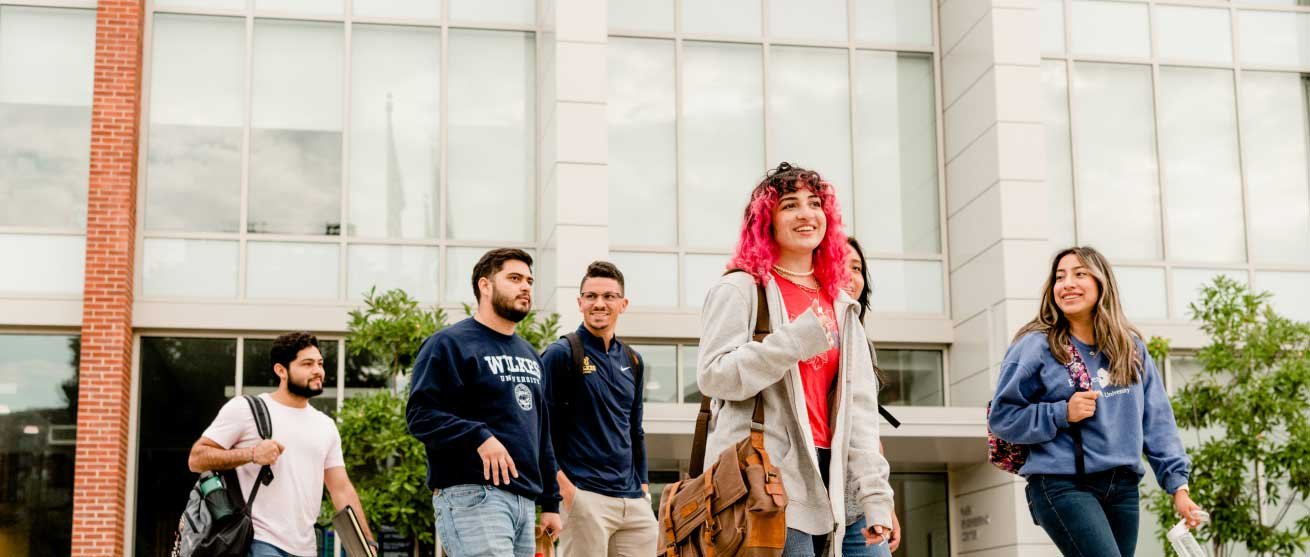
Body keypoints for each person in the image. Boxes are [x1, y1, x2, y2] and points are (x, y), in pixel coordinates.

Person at [697, 162, 893, 557]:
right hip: (766, 481)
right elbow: (713, 376)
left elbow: (860, 414)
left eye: (814, 203)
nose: (806, 214)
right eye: (790, 205)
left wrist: (876, 496)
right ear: (766, 221)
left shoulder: (841, 304)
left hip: (833, 482)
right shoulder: (740, 288)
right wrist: (791, 342)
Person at [988, 246, 1202, 556]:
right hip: (1063, 484)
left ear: (1102, 283)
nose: (1067, 284)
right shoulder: (1036, 345)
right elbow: (1003, 417)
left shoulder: (1130, 348)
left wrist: (1178, 487)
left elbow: (1157, 421)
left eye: (1079, 274)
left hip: (1122, 488)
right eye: (1060, 277)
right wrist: (1061, 413)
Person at [406, 248, 563, 557]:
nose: (526, 287)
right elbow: (420, 414)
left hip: (525, 504)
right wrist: (479, 436)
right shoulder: (449, 344)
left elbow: (541, 433)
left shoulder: (531, 354)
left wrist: (550, 503)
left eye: (529, 280)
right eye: (514, 278)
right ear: (485, 285)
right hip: (473, 495)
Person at [188, 331, 376, 557]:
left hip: (305, 547)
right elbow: (197, 458)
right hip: (259, 541)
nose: (318, 370)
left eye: (320, 363)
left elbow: (341, 488)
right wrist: (252, 453)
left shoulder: (325, 425)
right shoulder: (247, 409)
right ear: (281, 370)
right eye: (307, 364)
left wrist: (367, 544)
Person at [541, 261, 657, 556]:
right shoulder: (562, 354)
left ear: (623, 303)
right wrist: (565, 491)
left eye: (608, 296)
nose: (599, 304)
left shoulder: (633, 360)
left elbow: (635, 429)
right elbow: (538, 429)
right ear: (580, 302)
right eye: (591, 296)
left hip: (633, 501)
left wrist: (643, 485)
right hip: (585, 496)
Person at [839, 238, 901, 557]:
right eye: (840, 264)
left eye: (857, 267)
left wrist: (881, 505)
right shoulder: (804, 331)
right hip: (808, 508)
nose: (851, 275)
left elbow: (868, 433)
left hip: (857, 507)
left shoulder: (862, 341)